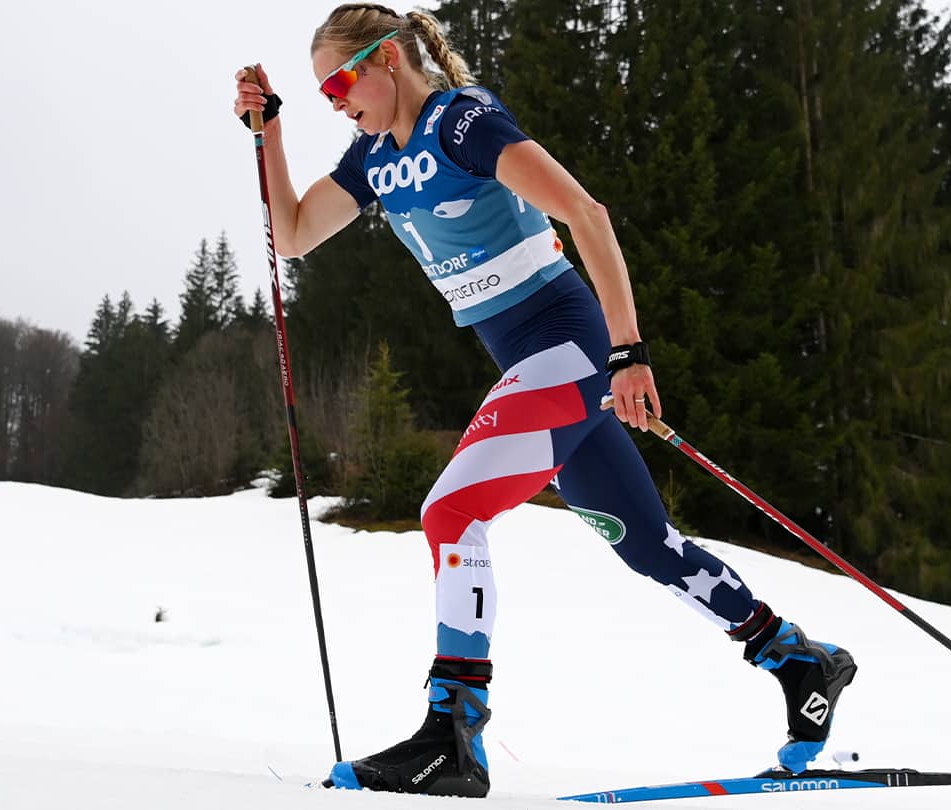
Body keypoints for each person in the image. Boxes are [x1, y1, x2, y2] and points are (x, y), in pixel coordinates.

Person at [233, 4, 856, 797]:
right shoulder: (374, 160)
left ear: (389, 58)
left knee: (451, 511)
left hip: (567, 345)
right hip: (534, 363)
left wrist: (627, 353)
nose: (336, 103)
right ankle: (799, 660)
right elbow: (291, 234)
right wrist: (269, 130)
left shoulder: (462, 124)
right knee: (650, 546)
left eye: (340, 83)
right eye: (322, 93)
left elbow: (586, 213)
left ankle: (454, 734)